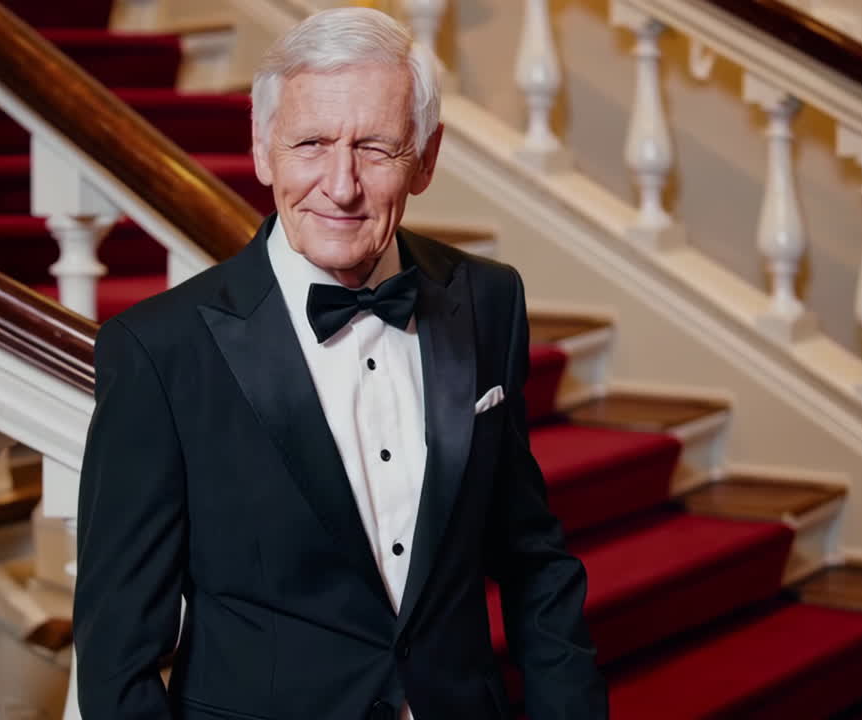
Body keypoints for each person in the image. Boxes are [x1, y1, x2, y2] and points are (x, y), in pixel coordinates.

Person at [72, 7, 606, 719]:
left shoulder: (487, 299)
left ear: (426, 158)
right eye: (311, 143)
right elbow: (117, 659)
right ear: (263, 150)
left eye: (376, 148)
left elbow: (532, 558)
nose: (341, 185)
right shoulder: (158, 351)